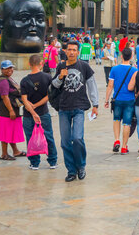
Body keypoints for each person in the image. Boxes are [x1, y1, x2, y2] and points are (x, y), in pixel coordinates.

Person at [52, 40, 99, 182]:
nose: (71, 52)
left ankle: (81, 166)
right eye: (69, 50)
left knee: (77, 138)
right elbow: (53, 84)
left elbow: (92, 85)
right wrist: (60, 76)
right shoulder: (60, 66)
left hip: (79, 107)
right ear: (65, 51)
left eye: (74, 50)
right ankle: (71, 171)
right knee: (65, 142)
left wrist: (95, 104)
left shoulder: (84, 66)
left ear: (78, 52)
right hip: (63, 108)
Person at [20, 54, 58, 170]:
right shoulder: (47, 77)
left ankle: (34, 162)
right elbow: (49, 96)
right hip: (43, 112)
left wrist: (33, 112)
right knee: (48, 136)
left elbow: (24, 100)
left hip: (28, 115)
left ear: (29, 64)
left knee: (30, 138)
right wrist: (37, 107)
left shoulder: (24, 81)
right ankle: (52, 161)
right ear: (41, 63)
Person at [105, 48, 138, 154]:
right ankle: (124, 147)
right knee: (127, 123)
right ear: (131, 57)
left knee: (116, 119)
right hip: (130, 100)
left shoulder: (114, 69)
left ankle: (116, 140)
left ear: (122, 56)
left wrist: (106, 99)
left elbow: (110, 86)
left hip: (117, 99)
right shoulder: (134, 70)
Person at [0, 60, 30, 161]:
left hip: (10, 110)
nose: (10, 70)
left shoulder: (8, 78)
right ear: (2, 69)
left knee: (10, 132)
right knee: (5, 132)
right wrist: (11, 110)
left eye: (11, 68)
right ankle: (4, 154)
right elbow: (5, 97)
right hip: (6, 111)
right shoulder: (3, 81)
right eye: (7, 68)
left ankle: (15, 151)